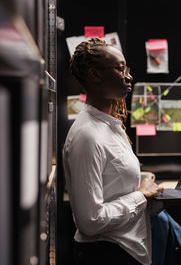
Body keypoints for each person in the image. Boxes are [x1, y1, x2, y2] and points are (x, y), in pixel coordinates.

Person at [63, 37, 163, 265]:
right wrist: (141, 195)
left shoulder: (111, 126)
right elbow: (90, 221)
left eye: (126, 68)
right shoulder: (87, 135)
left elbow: (114, 188)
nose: (128, 76)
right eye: (119, 69)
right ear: (95, 75)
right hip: (107, 254)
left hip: (124, 250)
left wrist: (149, 196)